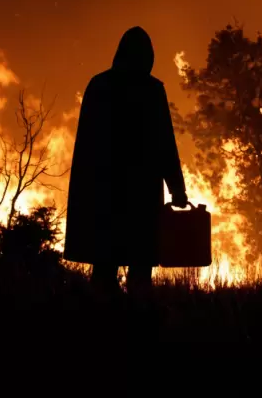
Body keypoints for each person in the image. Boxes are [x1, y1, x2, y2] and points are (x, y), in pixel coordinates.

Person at [63, 26, 187, 295]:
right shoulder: (152, 91)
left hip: (104, 193)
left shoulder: (99, 86)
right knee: (140, 267)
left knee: (104, 266)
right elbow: (165, 144)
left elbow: (86, 147)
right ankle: (138, 324)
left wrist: (85, 193)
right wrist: (177, 189)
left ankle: (103, 325)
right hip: (140, 194)